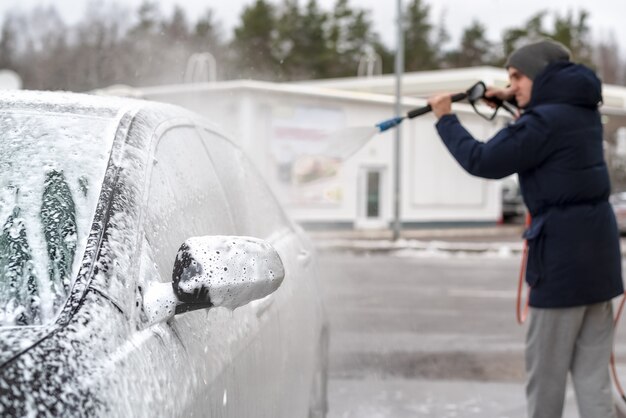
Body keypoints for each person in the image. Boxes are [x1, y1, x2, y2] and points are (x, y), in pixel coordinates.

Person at [428, 39, 624, 418]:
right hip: (600, 262)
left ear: (541, 75)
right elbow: (538, 131)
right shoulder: (580, 111)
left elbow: (482, 159)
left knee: (545, 380)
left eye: (517, 76)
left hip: (562, 265)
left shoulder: (544, 122)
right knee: (593, 379)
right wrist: (513, 99)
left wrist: (445, 118)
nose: (511, 84)